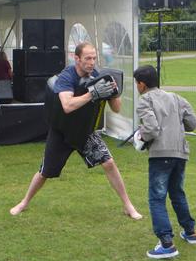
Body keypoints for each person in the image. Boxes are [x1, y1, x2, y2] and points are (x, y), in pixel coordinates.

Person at [10, 42, 142, 219]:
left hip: (85, 132)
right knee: (45, 172)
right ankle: (24, 202)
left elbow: (116, 109)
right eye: (88, 58)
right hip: (62, 132)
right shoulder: (67, 77)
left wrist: (114, 92)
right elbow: (67, 106)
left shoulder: (98, 76)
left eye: (94, 58)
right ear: (77, 58)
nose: (92, 62)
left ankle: (128, 206)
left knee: (109, 163)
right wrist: (92, 94)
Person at [133, 65, 196, 259]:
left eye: (136, 83)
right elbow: (193, 123)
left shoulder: (145, 100)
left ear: (142, 84)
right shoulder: (176, 98)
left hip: (160, 154)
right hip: (180, 153)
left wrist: (140, 137)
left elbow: (151, 128)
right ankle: (190, 232)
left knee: (157, 198)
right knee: (177, 193)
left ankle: (166, 243)